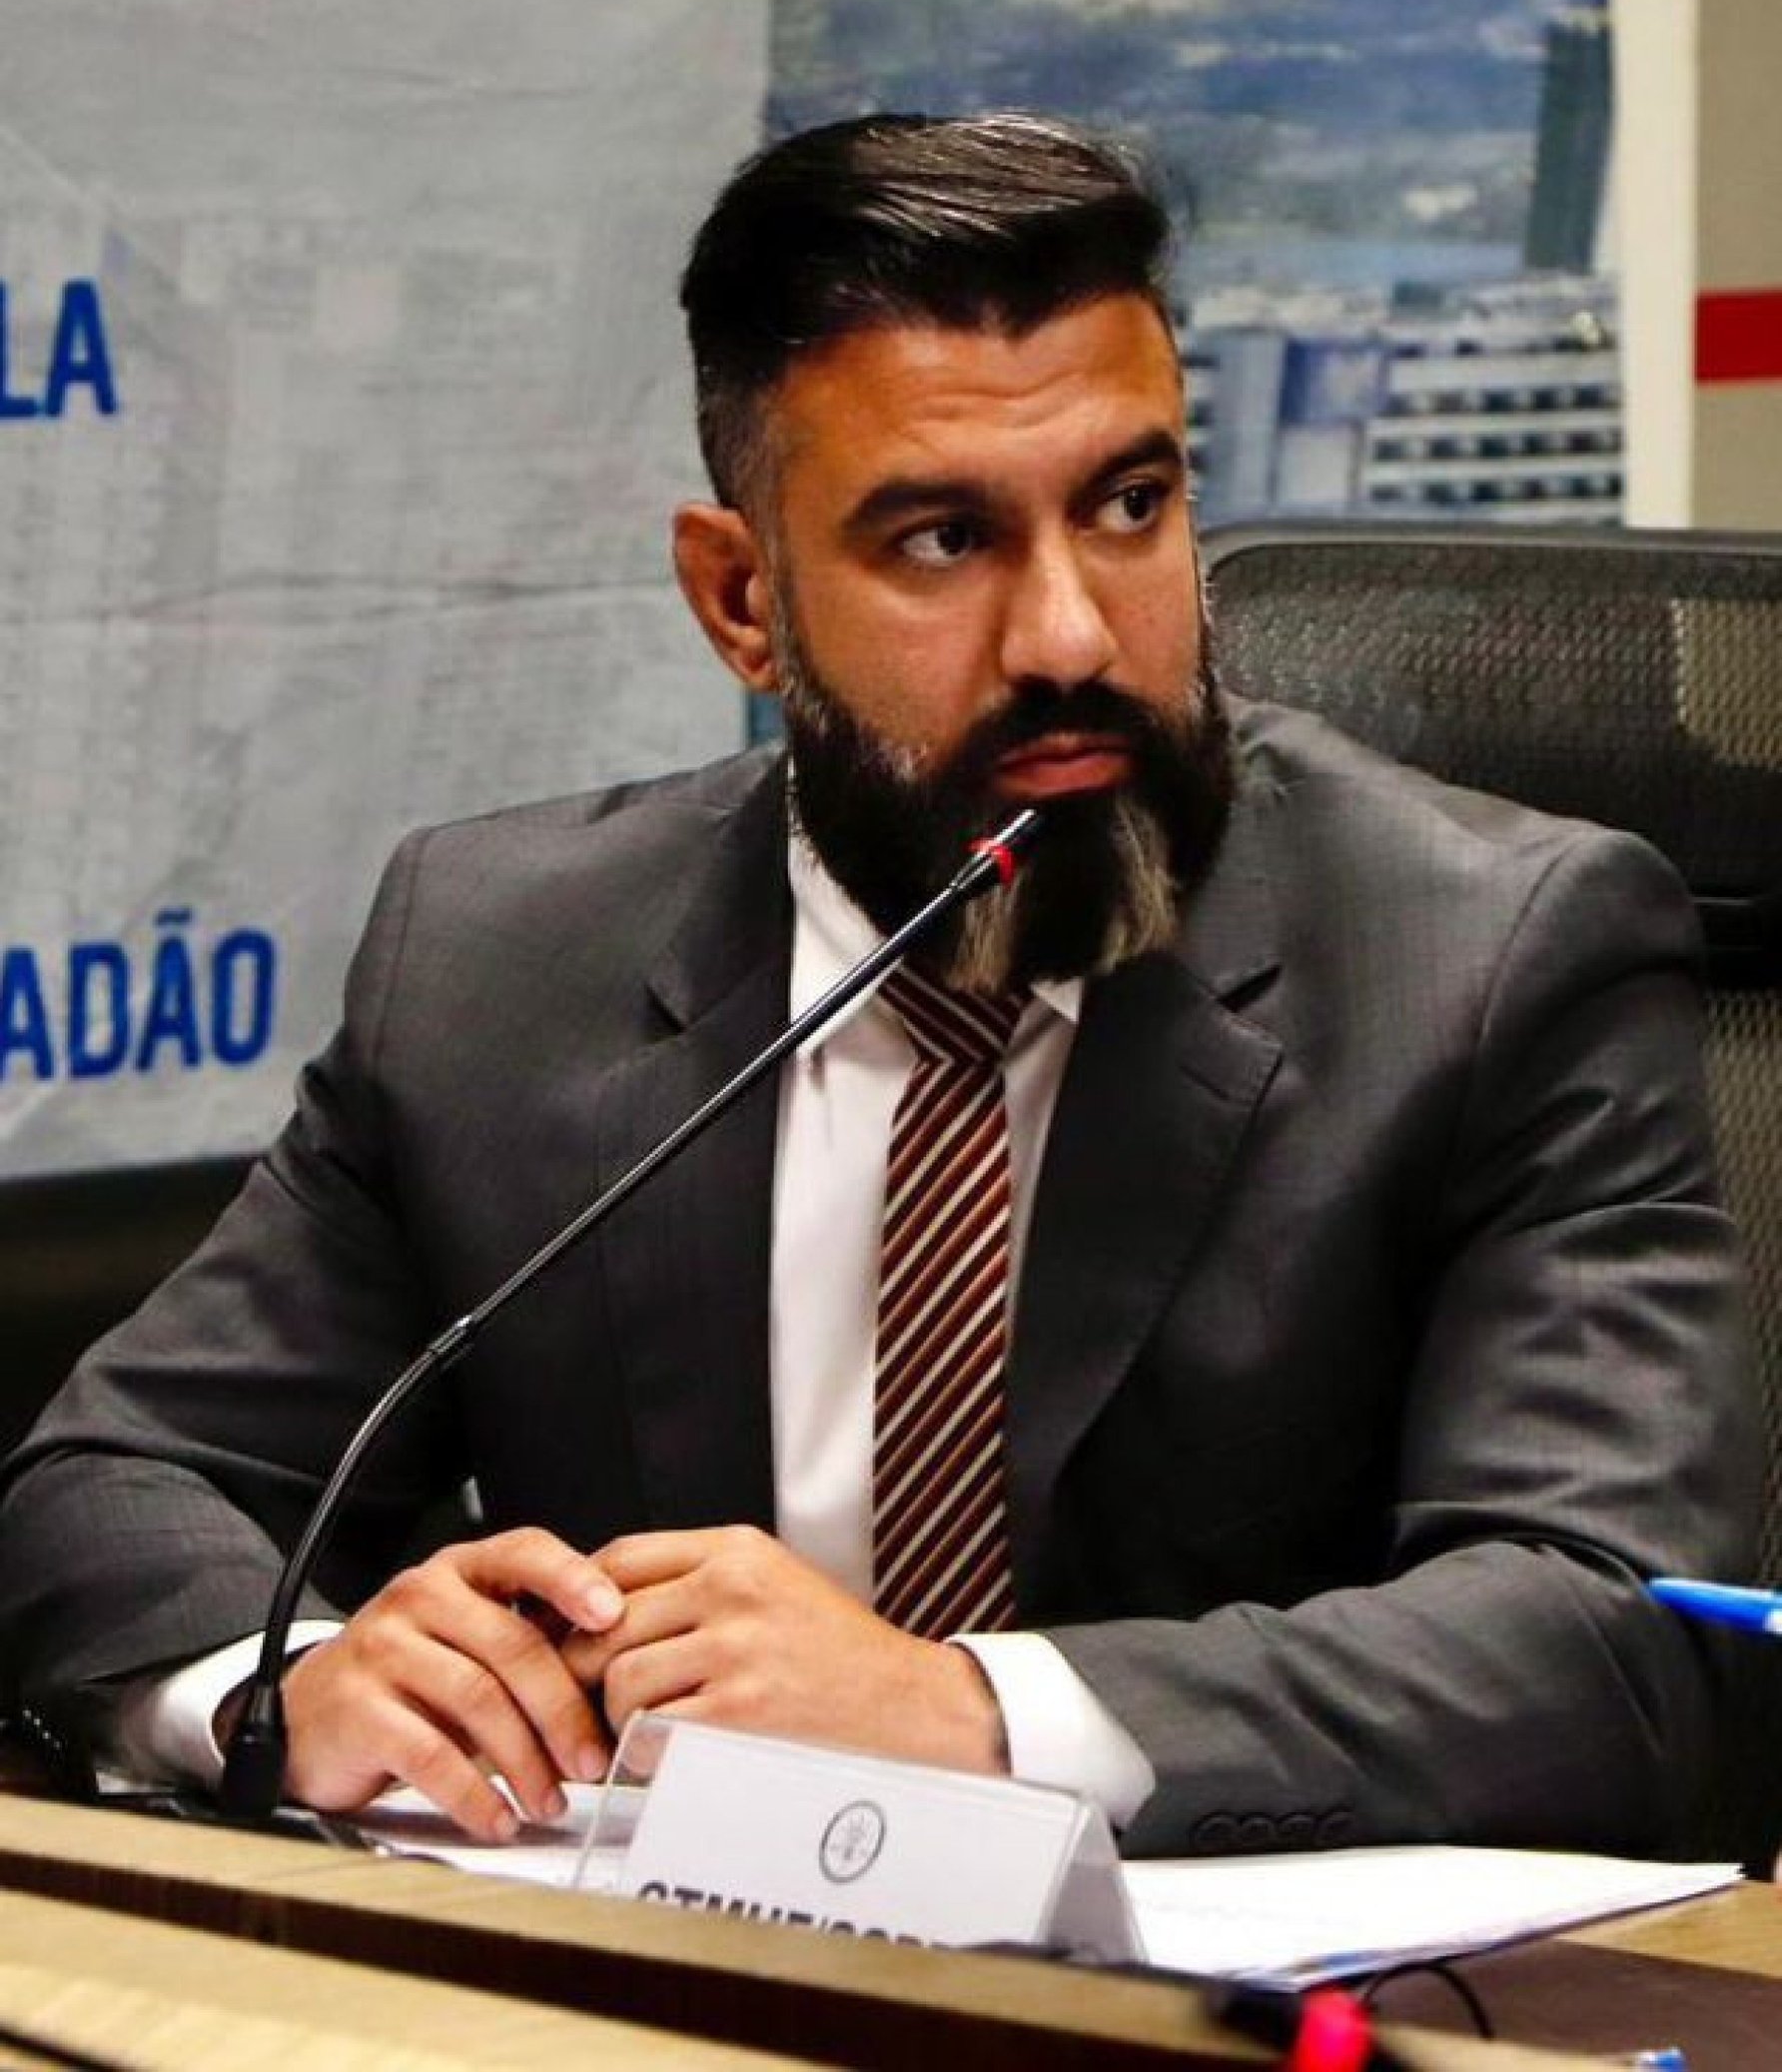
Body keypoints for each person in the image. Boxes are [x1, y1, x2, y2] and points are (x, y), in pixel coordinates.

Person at [0, 113, 1756, 1859]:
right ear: (743, 601)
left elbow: (1612, 1638)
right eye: (939, 541)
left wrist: (967, 1713)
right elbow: (106, 1486)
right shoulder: (495, 957)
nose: (1070, 635)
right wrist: (285, 1684)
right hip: (643, 1974)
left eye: (1129, 506)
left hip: (1261, 1979)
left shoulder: (1493, 955)